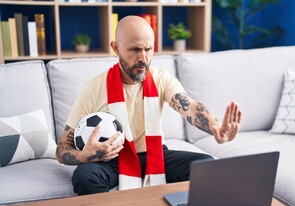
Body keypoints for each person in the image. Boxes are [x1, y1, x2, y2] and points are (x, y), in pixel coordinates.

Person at [55, 15, 242, 195]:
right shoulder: (93, 88)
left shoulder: (162, 78)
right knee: (84, 176)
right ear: (116, 48)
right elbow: (62, 148)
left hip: (154, 153)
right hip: (111, 159)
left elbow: (189, 106)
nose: (143, 58)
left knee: (206, 165)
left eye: (148, 49)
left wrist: (215, 126)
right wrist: (84, 156)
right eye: (135, 49)